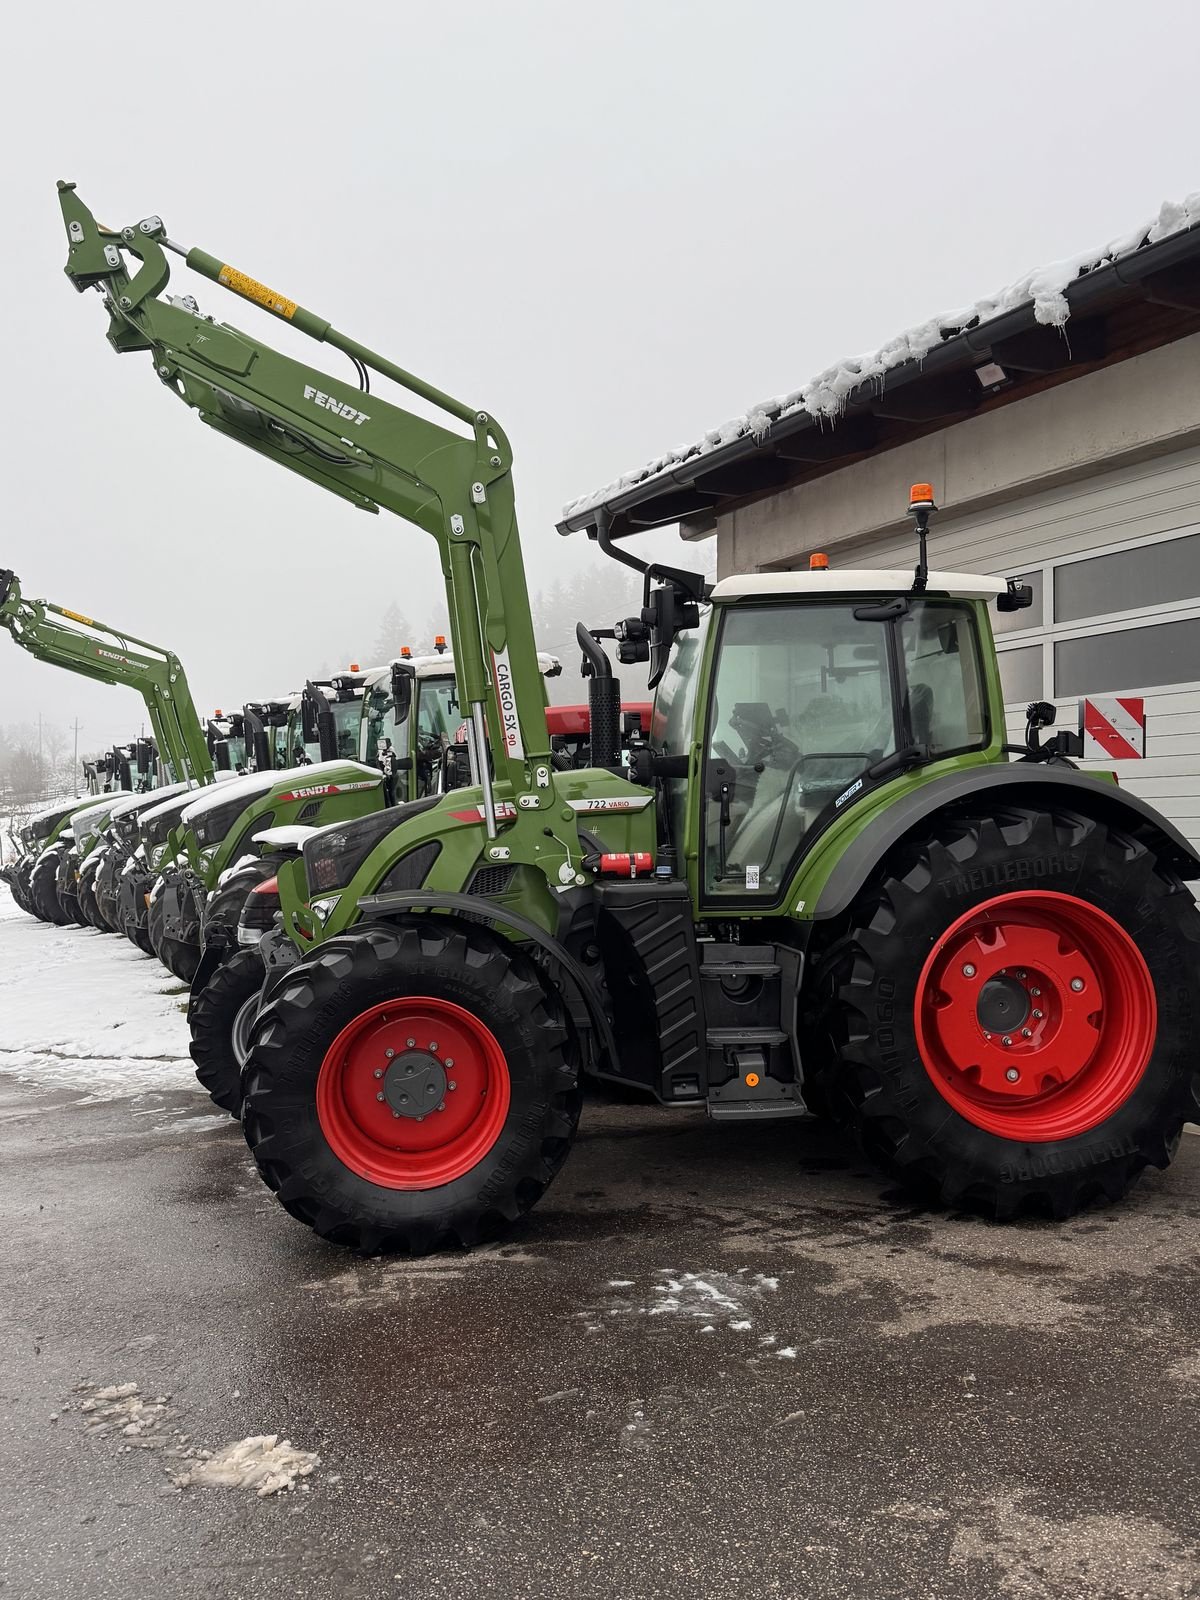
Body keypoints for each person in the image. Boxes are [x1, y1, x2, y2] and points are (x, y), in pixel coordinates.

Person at [378, 737, 398, 806]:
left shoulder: (392, 751)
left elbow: (393, 759)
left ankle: (394, 805)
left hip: (392, 774)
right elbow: (379, 761)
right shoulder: (380, 752)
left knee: (392, 792)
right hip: (384, 773)